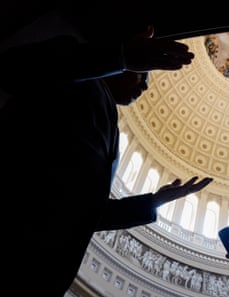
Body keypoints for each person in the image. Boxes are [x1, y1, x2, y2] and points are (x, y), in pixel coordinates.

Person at [0, 10, 214, 295]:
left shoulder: (108, 120)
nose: (146, 86)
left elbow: (85, 212)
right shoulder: (78, 68)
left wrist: (155, 201)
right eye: (143, 75)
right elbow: (13, 69)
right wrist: (120, 56)